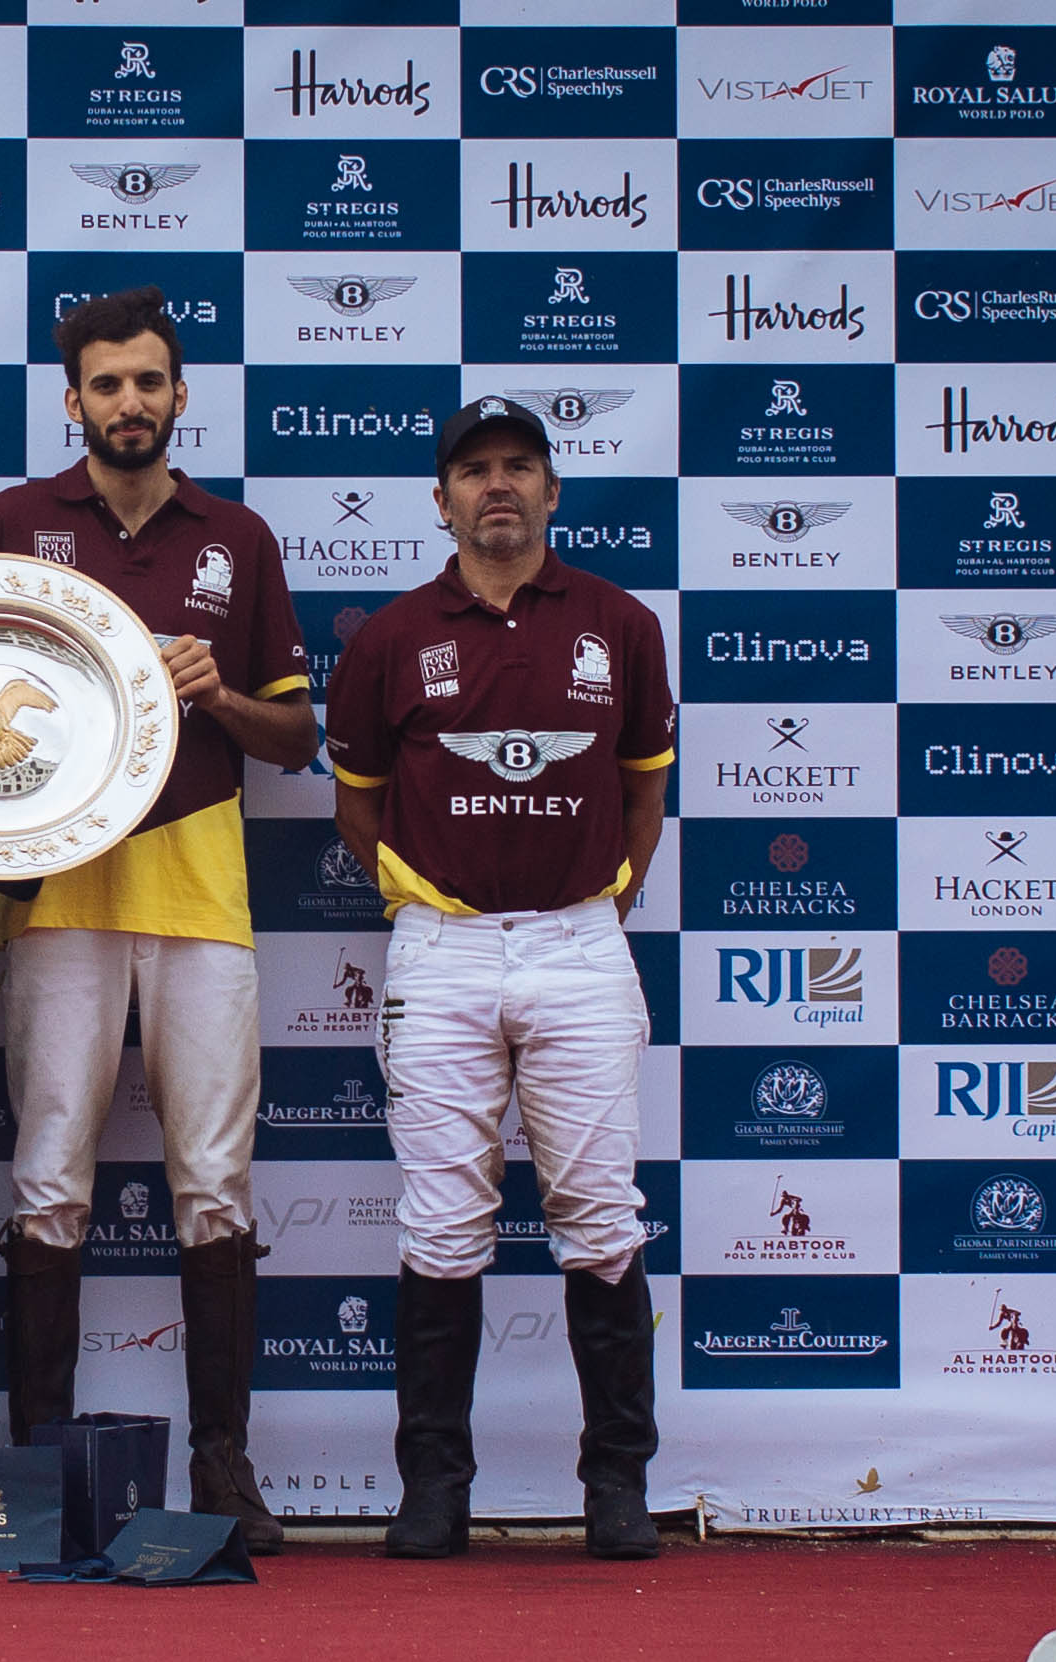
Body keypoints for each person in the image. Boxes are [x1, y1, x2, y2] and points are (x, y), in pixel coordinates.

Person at [0, 287, 317, 1557]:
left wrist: (218, 692)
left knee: (213, 1183)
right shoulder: (12, 525)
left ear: (180, 397)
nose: (129, 403)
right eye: (106, 384)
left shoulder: (238, 536)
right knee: (48, 1176)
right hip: (58, 889)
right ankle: (39, 1471)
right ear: (74, 399)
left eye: (148, 382)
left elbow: (298, 737)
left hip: (197, 884)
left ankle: (223, 1466)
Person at [325, 395, 675, 1561]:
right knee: (440, 1225)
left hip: (578, 944)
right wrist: (422, 893)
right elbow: (358, 800)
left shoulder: (619, 624)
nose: (498, 486)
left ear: (551, 490)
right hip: (445, 950)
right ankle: (434, 1486)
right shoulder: (388, 638)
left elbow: (643, 783)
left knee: (601, 1219)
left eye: (519, 466)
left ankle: (616, 1484)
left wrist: (605, 898)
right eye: (475, 470)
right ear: (441, 500)